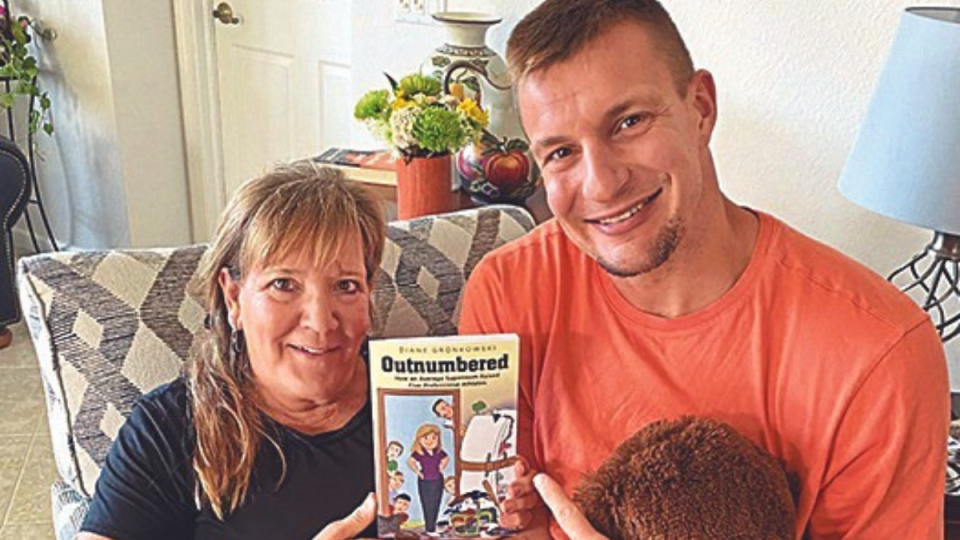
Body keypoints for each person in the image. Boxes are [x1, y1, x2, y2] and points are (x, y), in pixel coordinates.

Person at [459, 1, 951, 539]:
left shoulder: (876, 352)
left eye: (629, 122)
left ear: (700, 108)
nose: (600, 183)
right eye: (560, 153)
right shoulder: (509, 292)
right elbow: (493, 522)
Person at [77, 162, 388, 540]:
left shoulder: (424, 392)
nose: (321, 322)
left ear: (369, 293)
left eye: (346, 285)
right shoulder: (169, 430)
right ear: (234, 296)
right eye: (284, 284)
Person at [407, 423, 449, 535]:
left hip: (438, 480)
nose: (430, 441)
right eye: (425, 438)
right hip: (425, 481)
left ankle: (432, 527)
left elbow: (446, 458)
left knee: (436, 503)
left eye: (434, 438)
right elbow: (410, 461)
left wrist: (442, 466)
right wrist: (417, 472)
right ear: (419, 439)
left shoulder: (438, 452)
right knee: (427, 503)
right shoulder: (419, 453)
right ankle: (429, 528)